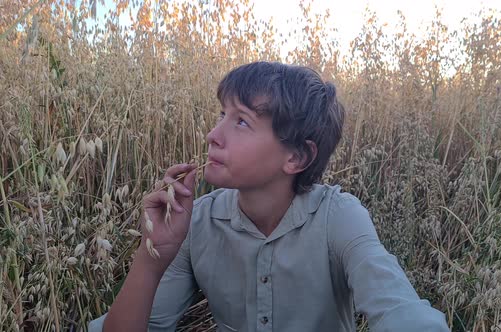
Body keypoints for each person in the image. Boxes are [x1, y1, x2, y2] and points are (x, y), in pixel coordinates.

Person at [89, 61, 449, 331]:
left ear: (296, 157)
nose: (214, 134)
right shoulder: (196, 222)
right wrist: (151, 259)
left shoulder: (338, 217)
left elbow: (401, 310)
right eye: (221, 115)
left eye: (241, 121)